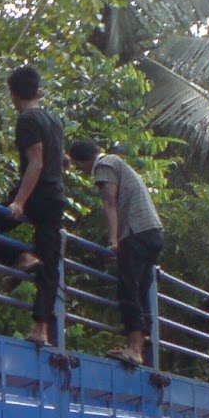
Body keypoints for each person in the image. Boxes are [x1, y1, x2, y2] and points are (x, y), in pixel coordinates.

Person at [0, 66, 67, 347]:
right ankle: (41, 330)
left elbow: (36, 162)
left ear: (13, 95)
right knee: (50, 265)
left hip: (36, 196)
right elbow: (58, 160)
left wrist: (19, 203)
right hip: (55, 198)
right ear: (39, 91)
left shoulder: (27, 119)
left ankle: (21, 259)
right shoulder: (53, 121)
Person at [67, 139, 164, 366]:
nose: (82, 171)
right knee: (142, 290)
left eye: (79, 166)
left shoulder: (105, 164)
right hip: (153, 232)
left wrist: (113, 241)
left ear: (84, 160)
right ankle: (143, 342)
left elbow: (109, 204)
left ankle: (133, 349)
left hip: (137, 232)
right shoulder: (119, 163)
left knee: (128, 287)